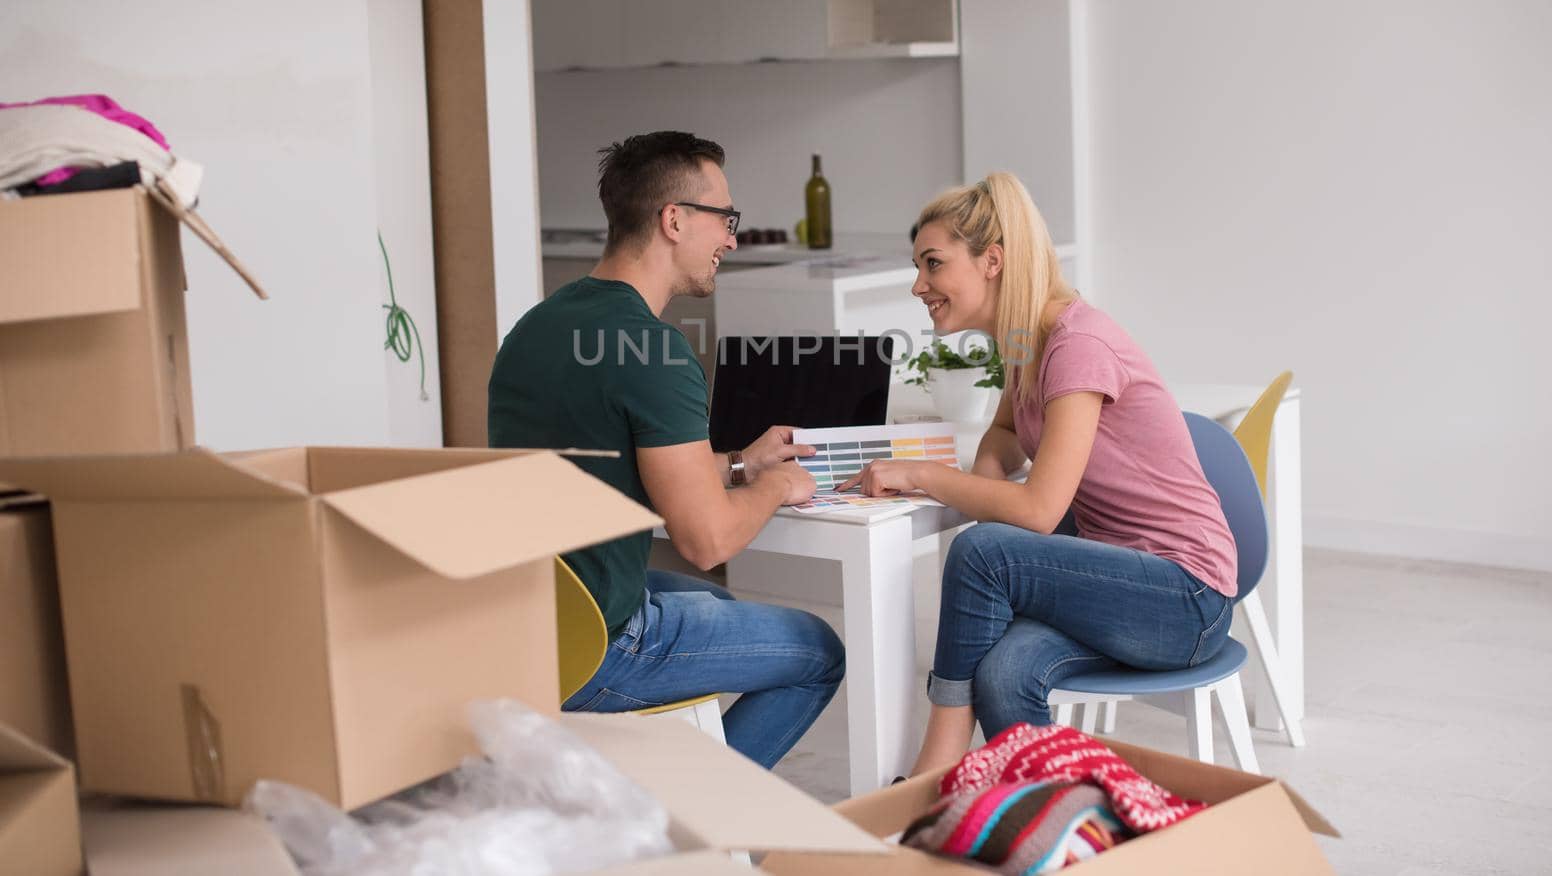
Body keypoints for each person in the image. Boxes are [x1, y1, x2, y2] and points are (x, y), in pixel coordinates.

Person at [838, 172, 1238, 776]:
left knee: (984, 553)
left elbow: (1040, 511)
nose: (919, 285)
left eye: (933, 264)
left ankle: (935, 769)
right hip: (1114, 584)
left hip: (1184, 597)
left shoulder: (1077, 344)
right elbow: (1003, 435)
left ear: (992, 261)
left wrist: (919, 474)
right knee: (1003, 675)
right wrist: (988, 480)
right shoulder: (1027, 341)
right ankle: (1048, 817)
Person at [488, 131, 844, 769]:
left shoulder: (538, 327)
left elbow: (624, 470)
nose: (731, 239)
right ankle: (688, 820)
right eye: (725, 219)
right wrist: (776, 486)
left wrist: (740, 463)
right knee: (818, 651)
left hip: (526, 625)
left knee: (722, 608)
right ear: (674, 220)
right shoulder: (654, 350)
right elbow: (707, 542)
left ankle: (659, 782)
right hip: (602, 644)